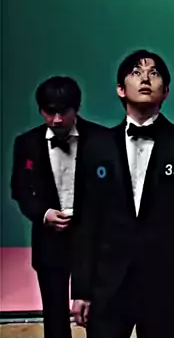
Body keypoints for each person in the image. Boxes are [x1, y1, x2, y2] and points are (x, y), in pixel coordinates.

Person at [71, 50, 174, 338]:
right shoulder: (95, 147)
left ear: (166, 91)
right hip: (107, 286)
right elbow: (86, 221)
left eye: (154, 73)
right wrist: (81, 289)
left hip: (168, 285)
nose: (146, 79)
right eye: (136, 73)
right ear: (120, 89)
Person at [10, 76, 106, 338]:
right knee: (54, 318)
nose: (56, 120)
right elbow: (19, 190)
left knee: (99, 315)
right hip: (49, 238)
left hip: (94, 238)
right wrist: (43, 214)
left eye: (63, 112)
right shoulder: (26, 143)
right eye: (49, 112)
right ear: (40, 109)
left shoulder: (102, 139)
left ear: (77, 108)